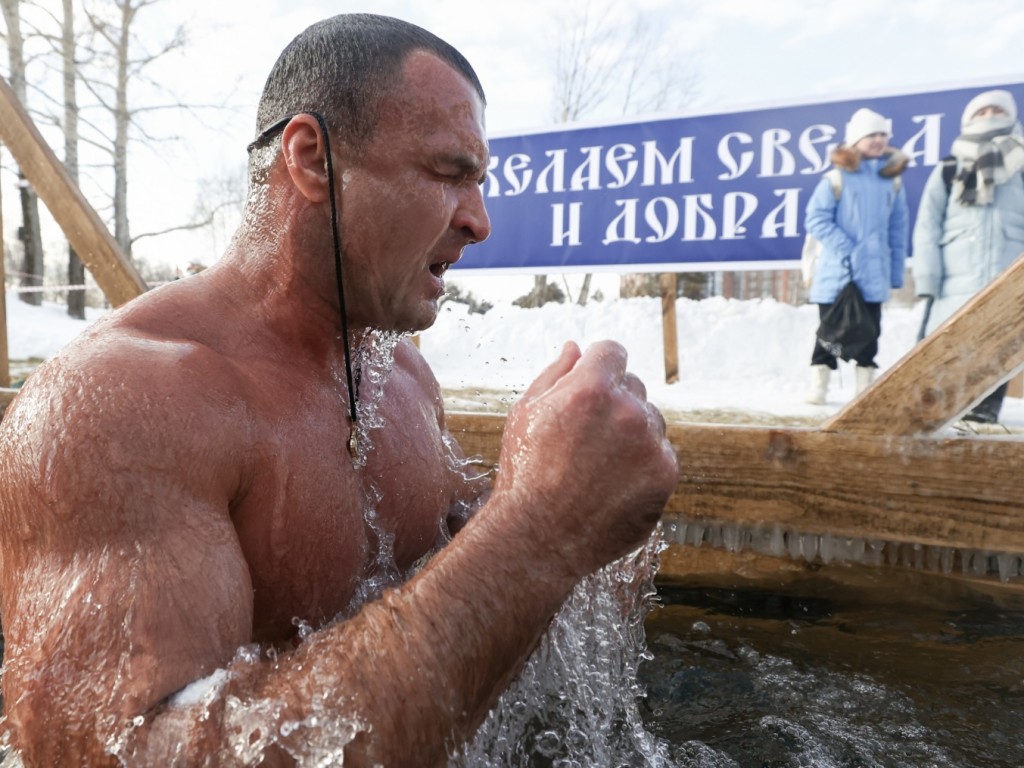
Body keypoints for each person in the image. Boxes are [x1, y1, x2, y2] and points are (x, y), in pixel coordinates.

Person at [0, 14, 679, 767]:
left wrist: (591, 520)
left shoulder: (403, 381)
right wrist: (536, 531)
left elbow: (479, 614)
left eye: (479, 183)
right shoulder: (122, 402)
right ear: (311, 158)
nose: (480, 221)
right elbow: (111, 755)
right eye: (448, 173)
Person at [913, 88, 1024, 426]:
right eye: (982, 110)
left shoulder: (1020, 163)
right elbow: (928, 225)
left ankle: (983, 415)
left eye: (997, 109)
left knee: (999, 348)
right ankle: (942, 414)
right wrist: (927, 279)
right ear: (968, 119)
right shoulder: (949, 167)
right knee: (949, 348)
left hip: (1008, 274)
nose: (990, 115)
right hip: (954, 279)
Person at [803, 107, 910, 405]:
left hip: (873, 275)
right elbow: (816, 219)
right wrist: (847, 248)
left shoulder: (893, 181)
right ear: (855, 140)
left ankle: (864, 392)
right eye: (870, 135)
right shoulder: (836, 179)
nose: (877, 140)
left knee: (869, 334)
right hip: (837, 274)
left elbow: (898, 231)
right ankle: (819, 387)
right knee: (829, 333)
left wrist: (895, 274)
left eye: (882, 134)